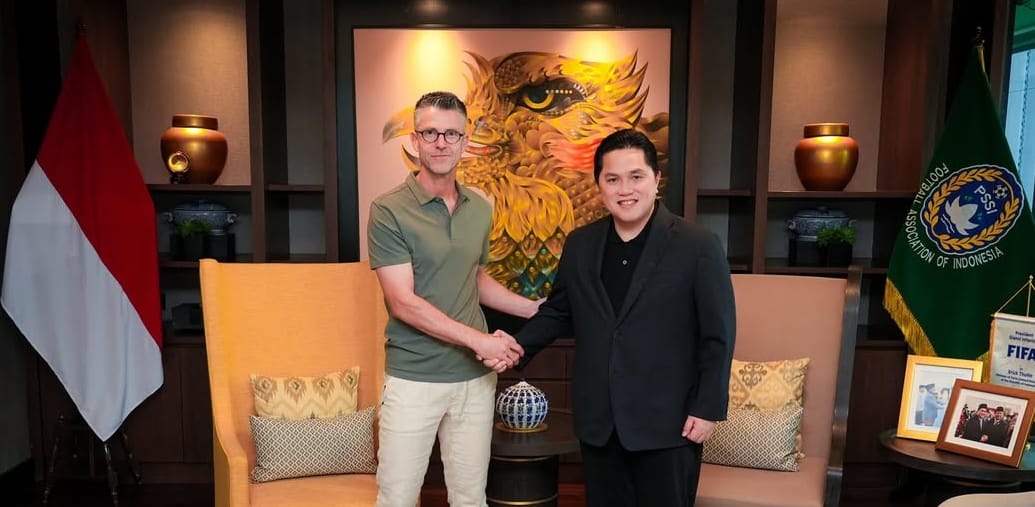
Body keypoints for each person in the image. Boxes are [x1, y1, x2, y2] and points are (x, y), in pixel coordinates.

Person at [503, 129, 736, 506]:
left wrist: (707, 408)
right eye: (612, 179)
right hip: (601, 423)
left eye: (636, 176)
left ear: (656, 180)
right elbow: (559, 311)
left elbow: (718, 334)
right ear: (599, 185)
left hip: (670, 423)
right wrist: (514, 347)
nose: (624, 189)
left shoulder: (697, 245)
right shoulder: (581, 243)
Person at [367, 90, 541, 507]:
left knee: (470, 499)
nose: (441, 142)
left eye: (451, 134)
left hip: (474, 381)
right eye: (430, 133)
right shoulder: (388, 210)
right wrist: (481, 341)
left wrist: (535, 309)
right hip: (414, 378)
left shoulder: (479, 207)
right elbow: (402, 302)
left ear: (465, 142)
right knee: (397, 498)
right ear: (415, 140)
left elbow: (475, 278)